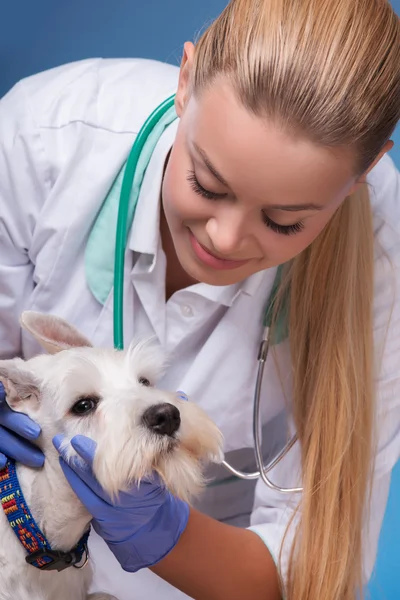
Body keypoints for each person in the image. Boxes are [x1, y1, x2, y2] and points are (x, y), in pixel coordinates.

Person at [0, 0, 399, 598]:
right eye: (206, 185)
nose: (225, 238)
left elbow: (315, 565)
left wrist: (165, 534)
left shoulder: (381, 255)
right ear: (185, 81)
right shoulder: (45, 138)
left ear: (367, 167)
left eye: (284, 221)